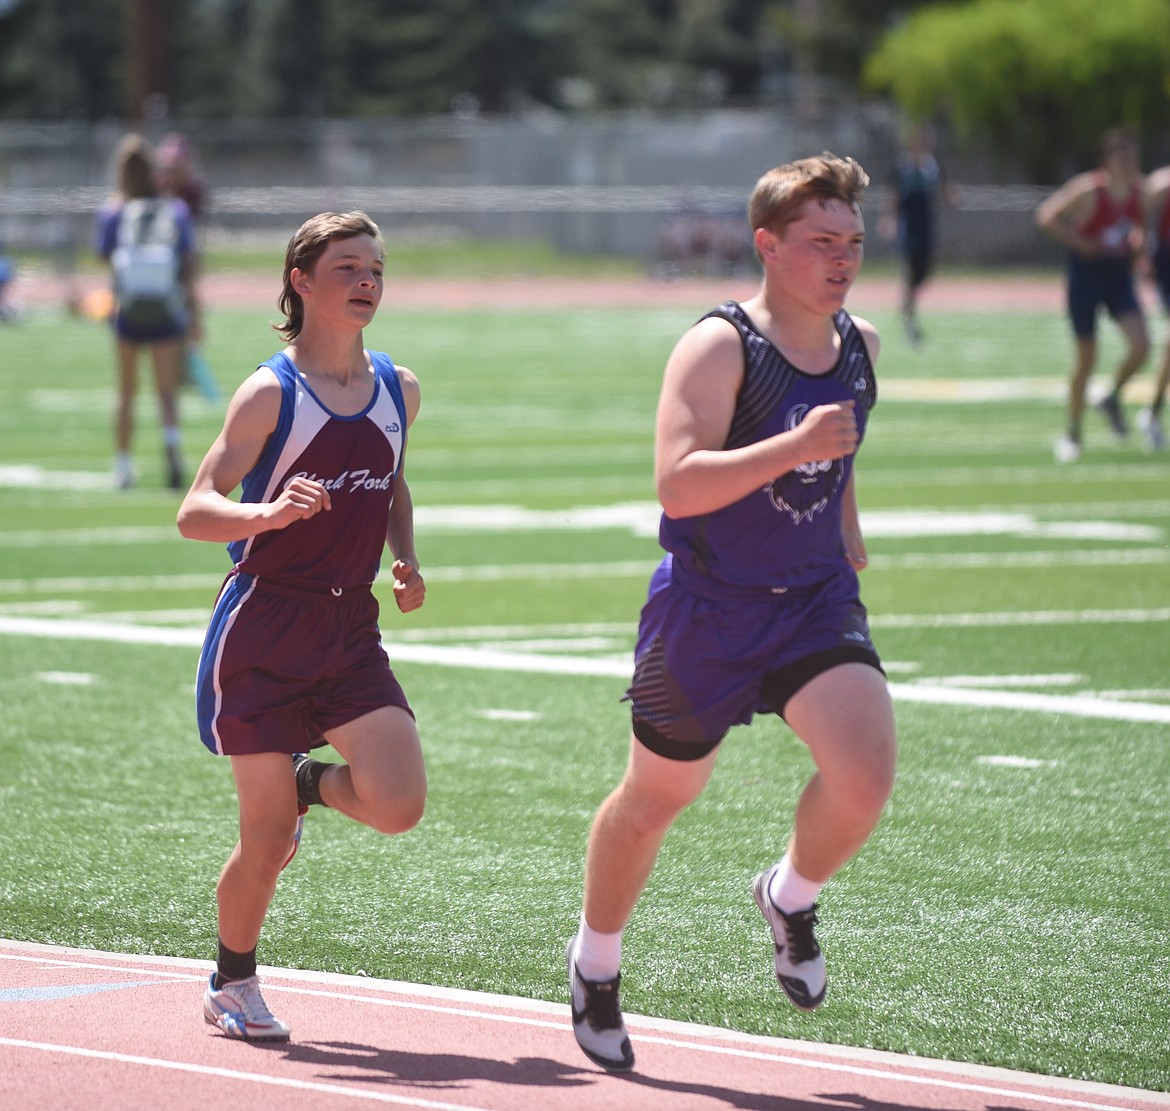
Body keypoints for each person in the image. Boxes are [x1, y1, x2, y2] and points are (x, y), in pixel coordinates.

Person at [566, 154, 897, 1073]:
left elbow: (841, 452)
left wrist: (848, 523)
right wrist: (791, 442)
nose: (843, 259)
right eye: (821, 242)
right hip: (707, 607)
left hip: (814, 601)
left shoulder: (861, 343)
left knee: (865, 777)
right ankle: (596, 962)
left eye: (854, 242)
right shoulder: (718, 346)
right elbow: (676, 481)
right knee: (658, 799)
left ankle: (790, 895)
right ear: (768, 245)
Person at [176, 211, 428, 1042]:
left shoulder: (400, 386)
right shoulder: (270, 392)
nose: (367, 281)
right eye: (349, 266)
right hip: (264, 625)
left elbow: (391, 482)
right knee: (265, 838)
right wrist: (270, 511)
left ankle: (308, 779)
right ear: (301, 281)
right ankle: (232, 982)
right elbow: (195, 512)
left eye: (377, 269)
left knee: (398, 803)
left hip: (350, 625)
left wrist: (405, 556)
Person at [1035, 127, 1150, 463]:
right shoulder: (1089, 190)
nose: (1129, 163)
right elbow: (1046, 216)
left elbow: (1137, 227)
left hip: (1117, 277)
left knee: (1142, 345)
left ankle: (1112, 397)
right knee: (1087, 358)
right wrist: (1078, 241)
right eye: (1122, 156)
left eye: (1133, 156)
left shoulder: (1138, 192)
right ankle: (1073, 429)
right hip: (1086, 277)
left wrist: (1138, 251)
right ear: (1108, 159)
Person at [94, 133, 200, 489]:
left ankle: (123, 466)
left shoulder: (114, 211)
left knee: (126, 391)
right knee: (167, 393)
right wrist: (194, 314)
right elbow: (188, 263)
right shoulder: (174, 209)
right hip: (167, 309)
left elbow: (106, 259)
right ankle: (171, 447)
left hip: (128, 310)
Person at [881, 124, 955, 346]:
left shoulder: (932, 165)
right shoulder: (901, 166)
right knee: (910, 270)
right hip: (908, 227)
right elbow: (892, 195)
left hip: (927, 226)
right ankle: (909, 319)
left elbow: (943, 190)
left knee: (924, 273)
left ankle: (910, 299)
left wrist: (951, 196)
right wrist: (889, 220)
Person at [1138, 163, 1170, 450]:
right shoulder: (1163, 183)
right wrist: (1143, 254)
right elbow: (1139, 218)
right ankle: (1153, 412)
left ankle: (1152, 413)